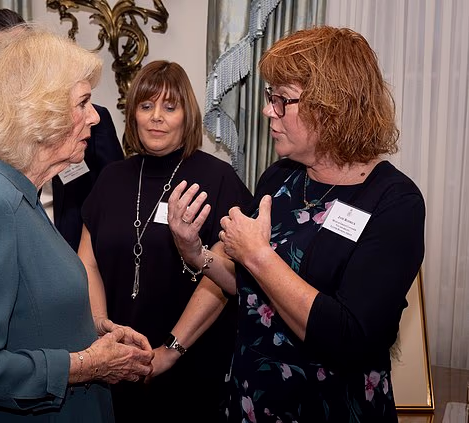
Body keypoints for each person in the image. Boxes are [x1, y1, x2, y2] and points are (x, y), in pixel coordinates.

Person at [167, 26, 426, 422]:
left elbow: (349, 338)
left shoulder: (395, 202)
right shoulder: (281, 177)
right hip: (252, 399)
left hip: (329, 408)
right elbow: (248, 286)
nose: (268, 110)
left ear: (332, 107)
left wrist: (257, 255)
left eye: (282, 100)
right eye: (271, 97)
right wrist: (195, 252)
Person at [0, 25, 154, 423]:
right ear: (41, 111)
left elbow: (25, 311)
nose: (94, 119)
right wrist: (87, 364)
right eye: (83, 102)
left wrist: (95, 332)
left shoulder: (16, 192)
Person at [78, 60, 253, 422]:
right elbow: (88, 261)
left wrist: (169, 351)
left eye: (169, 107)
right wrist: (102, 330)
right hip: (115, 362)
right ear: (134, 115)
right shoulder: (111, 178)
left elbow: (225, 279)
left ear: (187, 116)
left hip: (190, 368)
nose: (156, 116)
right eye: (146, 106)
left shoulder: (218, 178)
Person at [0, 8, 124, 251]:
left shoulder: (86, 119)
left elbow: (114, 199)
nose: (18, 63)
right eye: (4, 56)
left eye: (25, 52)